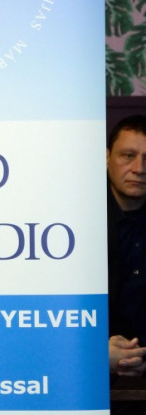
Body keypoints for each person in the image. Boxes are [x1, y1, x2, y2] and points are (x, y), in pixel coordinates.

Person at [107, 115, 146, 413]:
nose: (140, 169)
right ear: (107, 158)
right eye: (128, 156)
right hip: (87, 374)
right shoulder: (71, 220)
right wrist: (94, 352)